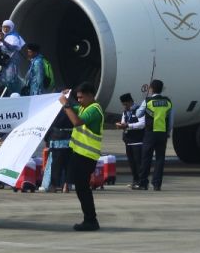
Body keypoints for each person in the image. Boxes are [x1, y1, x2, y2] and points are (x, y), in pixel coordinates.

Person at [60, 82, 105, 231]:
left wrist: (66, 105)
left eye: (81, 97)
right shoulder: (84, 107)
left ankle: (91, 220)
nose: (79, 100)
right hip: (80, 154)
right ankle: (90, 219)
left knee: (83, 188)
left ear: (90, 95)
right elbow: (74, 108)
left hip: (86, 155)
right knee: (81, 188)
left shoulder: (94, 110)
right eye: (77, 97)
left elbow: (77, 121)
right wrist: (67, 98)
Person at [137, 79, 174, 191]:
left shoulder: (148, 101)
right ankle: (157, 184)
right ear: (162, 89)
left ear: (151, 89)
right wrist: (168, 132)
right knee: (160, 159)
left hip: (150, 133)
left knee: (146, 158)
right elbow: (171, 120)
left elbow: (139, 114)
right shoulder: (168, 102)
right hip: (162, 133)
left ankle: (143, 183)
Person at [41, 96, 74, 193]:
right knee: (68, 164)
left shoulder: (54, 111)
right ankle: (66, 185)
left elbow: (49, 128)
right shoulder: (72, 108)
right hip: (70, 140)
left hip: (57, 141)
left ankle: (54, 185)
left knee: (56, 165)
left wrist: (47, 140)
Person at [116, 93, 145, 187]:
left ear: (130, 102)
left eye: (126, 104)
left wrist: (128, 125)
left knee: (138, 162)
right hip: (128, 141)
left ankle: (142, 182)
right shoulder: (125, 112)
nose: (125, 106)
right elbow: (124, 122)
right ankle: (135, 180)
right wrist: (121, 125)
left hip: (137, 140)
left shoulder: (139, 110)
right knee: (131, 162)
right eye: (123, 105)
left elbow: (142, 124)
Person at [0, 19, 26, 94]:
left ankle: (16, 93)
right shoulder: (4, 36)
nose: (5, 29)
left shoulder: (14, 36)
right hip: (6, 61)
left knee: (11, 78)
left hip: (12, 60)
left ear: (11, 27)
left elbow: (12, 48)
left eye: (7, 27)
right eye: (4, 27)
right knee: (5, 79)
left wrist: (3, 41)